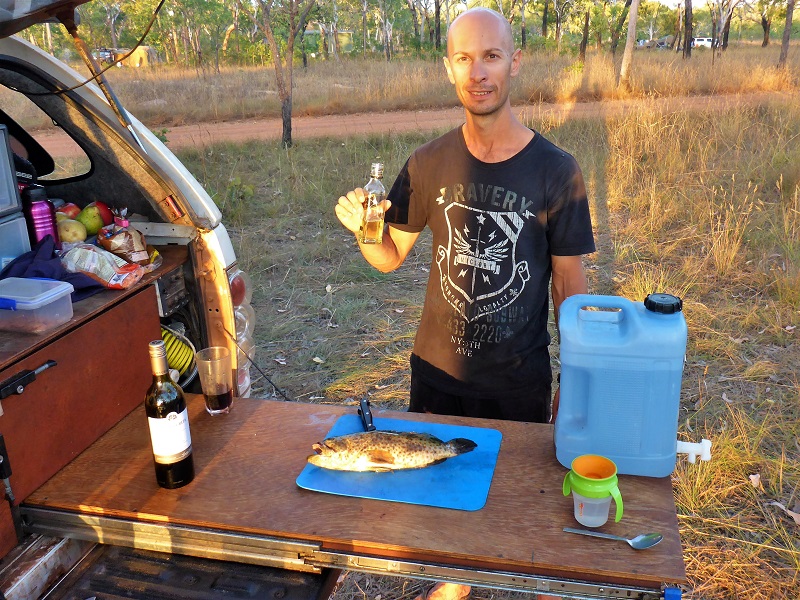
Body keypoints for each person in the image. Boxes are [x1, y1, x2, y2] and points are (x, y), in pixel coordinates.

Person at [335, 8, 595, 599]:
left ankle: (463, 583)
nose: (478, 72)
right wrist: (366, 232)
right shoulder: (428, 162)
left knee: (507, 503)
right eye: (463, 58)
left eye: (491, 56)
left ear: (514, 63)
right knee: (439, 494)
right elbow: (388, 256)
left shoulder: (558, 171)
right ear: (448, 68)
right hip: (436, 375)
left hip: (517, 380)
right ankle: (454, 584)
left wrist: (576, 379)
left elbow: (569, 288)